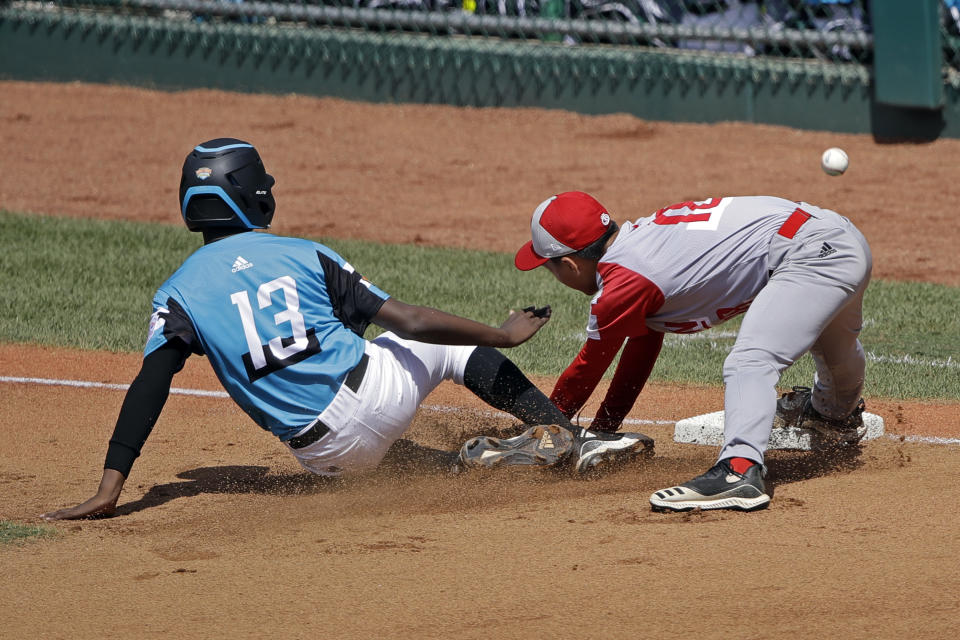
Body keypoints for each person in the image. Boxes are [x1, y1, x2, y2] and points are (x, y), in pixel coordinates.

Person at [41, 140, 653, 521]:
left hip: (325, 457)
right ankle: (564, 434)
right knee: (435, 343)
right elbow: (409, 321)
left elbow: (150, 385)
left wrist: (109, 485)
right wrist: (501, 334)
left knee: (401, 465)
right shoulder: (301, 253)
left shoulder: (176, 293)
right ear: (250, 196)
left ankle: (482, 464)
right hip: (372, 396)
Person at [513, 191, 872, 512]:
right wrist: (604, 429)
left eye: (549, 267)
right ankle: (832, 414)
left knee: (750, 361)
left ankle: (740, 470)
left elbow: (586, 370)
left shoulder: (622, 285)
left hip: (810, 253)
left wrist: (545, 430)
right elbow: (642, 346)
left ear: (571, 265)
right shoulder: (640, 244)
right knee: (832, 345)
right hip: (837, 236)